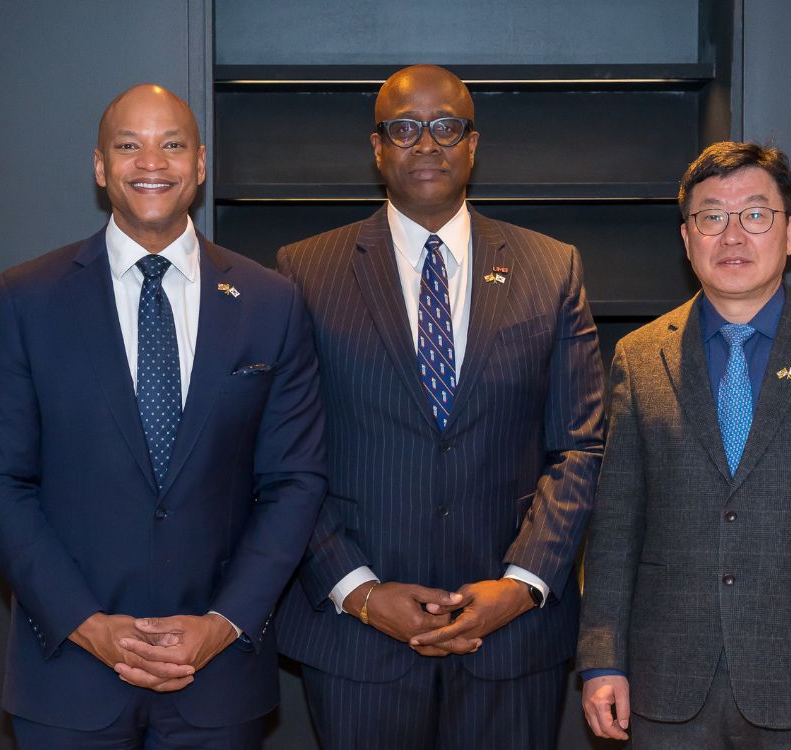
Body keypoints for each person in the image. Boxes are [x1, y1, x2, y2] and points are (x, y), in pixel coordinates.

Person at [0, 83, 326, 748]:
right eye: (129, 145)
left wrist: (222, 623)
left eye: (172, 144)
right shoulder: (26, 298)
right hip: (67, 673)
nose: (150, 162)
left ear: (201, 163)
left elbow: (295, 481)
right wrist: (89, 625)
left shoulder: (272, 303)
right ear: (101, 167)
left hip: (217, 675)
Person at [275, 64, 605, 749]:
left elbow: (580, 446)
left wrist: (518, 586)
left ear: (473, 144)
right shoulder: (305, 271)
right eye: (404, 128)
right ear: (377, 148)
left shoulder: (551, 268)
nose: (426, 143)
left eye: (445, 126)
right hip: (356, 641)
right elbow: (284, 454)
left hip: (511, 640)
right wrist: (360, 591)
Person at [577, 141, 791, 749]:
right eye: (712, 217)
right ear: (687, 239)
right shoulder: (638, 355)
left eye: (755, 215)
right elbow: (615, 526)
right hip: (666, 682)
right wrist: (603, 658)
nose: (733, 236)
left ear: (789, 233)